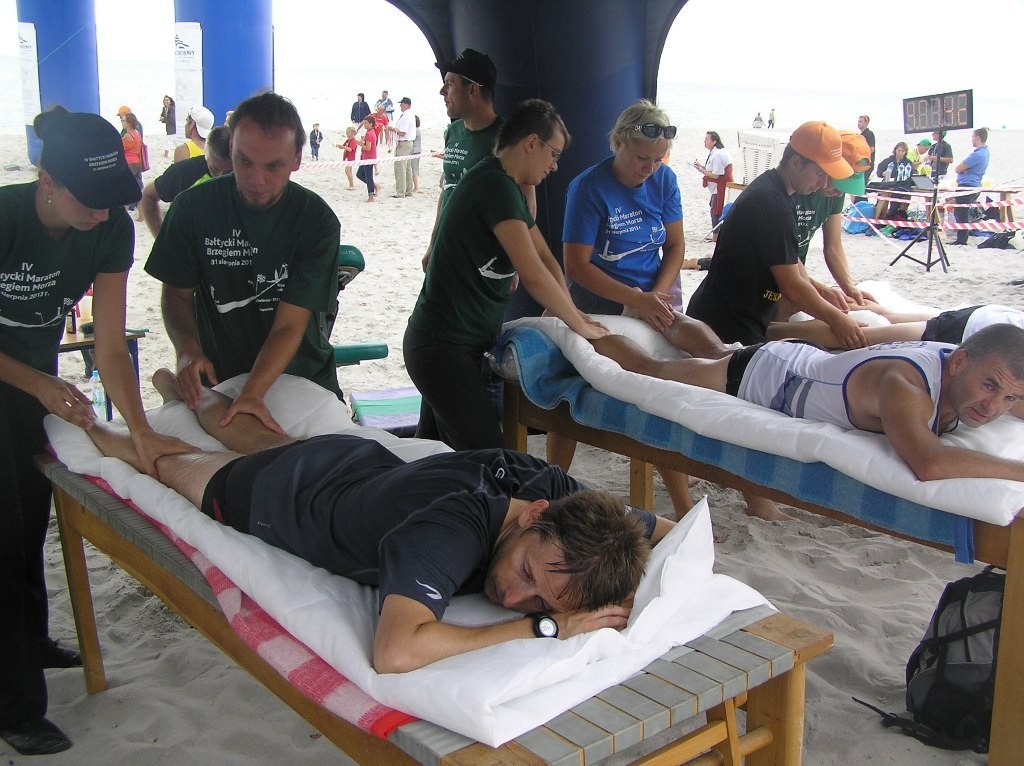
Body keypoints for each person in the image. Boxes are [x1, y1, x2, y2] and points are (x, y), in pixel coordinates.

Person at [84, 371, 667, 673]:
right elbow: (395, 652)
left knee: (252, 435)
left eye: (539, 602)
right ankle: (97, 428)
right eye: (526, 573)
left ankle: (182, 388)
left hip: (349, 462)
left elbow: (656, 530)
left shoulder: (553, 493)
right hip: (274, 497)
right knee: (170, 461)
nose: (514, 597)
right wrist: (544, 627)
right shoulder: (449, 533)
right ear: (533, 517)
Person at [0, 109, 193, 756]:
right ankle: (15, 707)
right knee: (1, 537)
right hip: (19, 378)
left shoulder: (108, 228)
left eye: (111, 200)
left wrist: (139, 429)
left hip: (30, 384)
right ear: (46, 181)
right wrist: (38, 382)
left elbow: (110, 346)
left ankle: (30, 640)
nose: (102, 213)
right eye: (89, 199)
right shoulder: (6, 217)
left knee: (32, 516)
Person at [549, 101, 732, 519]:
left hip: (653, 293)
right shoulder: (589, 187)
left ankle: (734, 372)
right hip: (601, 299)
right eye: (640, 158)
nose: (648, 168)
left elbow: (676, 247)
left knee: (706, 344)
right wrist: (634, 300)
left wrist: (656, 298)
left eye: (657, 159)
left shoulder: (664, 180)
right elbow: (576, 267)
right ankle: (557, 483)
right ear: (618, 143)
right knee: (650, 380)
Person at [403, 99, 610, 451]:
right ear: (531, 143)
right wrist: (578, 323)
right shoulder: (493, 185)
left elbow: (546, 258)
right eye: (554, 154)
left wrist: (571, 312)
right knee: (492, 460)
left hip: (453, 347)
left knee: (436, 458)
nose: (555, 165)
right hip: (443, 349)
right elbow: (533, 275)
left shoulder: (506, 186)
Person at [591, 323, 1024, 484]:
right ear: (959, 363)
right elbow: (929, 463)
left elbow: (1007, 391)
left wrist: (1007, 394)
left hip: (813, 364)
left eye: (1010, 398)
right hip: (771, 376)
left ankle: (670, 321)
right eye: (990, 387)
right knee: (652, 370)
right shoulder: (906, 386)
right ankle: (591, 329)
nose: (994, 407)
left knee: (718, 350)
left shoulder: (968, 366)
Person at [145, 92, 343, 434]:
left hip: (304, 378)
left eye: (273, 166)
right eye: (244, 161)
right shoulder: (192, 209)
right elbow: (176, 295)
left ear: (297, 159)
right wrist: (187, 350)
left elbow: (289, 326)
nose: (256, 179)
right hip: (219, 378)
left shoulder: (316, 221)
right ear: (230, 150)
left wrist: (252, 394)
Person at [686, 121, 865, 349]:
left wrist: (823, 292)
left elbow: (791, 264)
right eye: (820, 173)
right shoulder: (772, 203)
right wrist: (837, 319)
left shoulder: (777, 191)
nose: (823, 184)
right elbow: (792, 286)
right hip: (725, 326)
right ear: (796, 162)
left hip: (740, 316)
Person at [423, 48, 537, 270]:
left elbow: (528, 207)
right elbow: (447, 190)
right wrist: (432, 244)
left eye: (449, 85)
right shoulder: (453, 132)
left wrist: (511, 266)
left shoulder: (510, 140)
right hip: (446, 252)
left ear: (473, 89)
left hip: (482, 263)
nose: (442, 92)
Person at [786, 130, 876, 312]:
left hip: (798, 275)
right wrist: (820, 291)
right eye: (839, 184)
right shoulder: (797, 189)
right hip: (784, 275)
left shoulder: (834, 194)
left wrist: (848, 286)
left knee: (860, 308)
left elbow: (833, 246)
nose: (838, 192)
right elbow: (785, 256)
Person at [139, 125, 233, 236]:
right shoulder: (188, 171)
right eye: (215, 169)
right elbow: (148, 196)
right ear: (207, 156)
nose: (220, 176)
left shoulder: (248, 174)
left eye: (229, 172)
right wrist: (162, 239)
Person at [951, 127, 990, 246]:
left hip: (967, 186)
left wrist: (963, 170)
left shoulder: (978, 154)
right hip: (974, 184)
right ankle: (962, 237)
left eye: (973, 137)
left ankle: (962, 239)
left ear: (977, 138)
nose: (971, 139)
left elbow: (958, 168)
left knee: (961, 212)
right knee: (962, 211)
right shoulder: (985, 152)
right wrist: (964, 170)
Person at [693, 130, 731, 232]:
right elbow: (712, 169)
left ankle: (716, 235)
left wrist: (703, 171)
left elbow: (716, 175)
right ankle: (717, 234)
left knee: (715, 212)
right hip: (716, 187)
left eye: (707, 139)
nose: (704, 141)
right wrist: (701, 166)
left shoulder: (717, 154)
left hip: (720, 187)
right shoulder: (716, 152)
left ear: (714, 141)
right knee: (714, 210)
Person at [872, 141, 915, 219]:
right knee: (884, 196)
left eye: (903, 151)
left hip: (901, 185)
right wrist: (883, 173)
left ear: (905, 152)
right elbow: (879, 172)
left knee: (903, 197)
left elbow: (911, 175)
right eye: (899, 150)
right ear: (895, 150)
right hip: (888, 184)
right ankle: (878, 218)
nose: (900, 153)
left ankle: (895, 216)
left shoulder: (908, 163)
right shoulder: (888, 161)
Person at [388, 97, 415, 197]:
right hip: (409, 143)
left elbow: (403, 132)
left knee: (400, 168)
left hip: (404, 143)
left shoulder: (406, 116)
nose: (400, 106)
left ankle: (400, 192)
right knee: (407, 168)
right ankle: (408, 190)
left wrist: (393, 129)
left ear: (406, 105)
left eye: (402, 104)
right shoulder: (410, 115)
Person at [118, 111, 145, 200]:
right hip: (137, 160)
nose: (122, 123)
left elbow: (120, 148)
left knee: (127, 185)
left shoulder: (127, 136)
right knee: (137, 183)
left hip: (129, 162)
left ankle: (130, 203)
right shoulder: (137, 133)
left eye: (123, 121)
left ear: (128, 123)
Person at [355, 115, 378, 201]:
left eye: (366, 123)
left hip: (369, 158)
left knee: (369, 177)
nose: (364, 125)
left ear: (371, 124)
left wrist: (360, 143)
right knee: (359, 174)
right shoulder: (370, 132)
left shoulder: (370, 133)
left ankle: (371, 196)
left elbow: (368, 148)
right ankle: (375, 186)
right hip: (366, 157)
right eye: (364, 123)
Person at [857, 114, 876, 184]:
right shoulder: (861, 135)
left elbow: (871, 149)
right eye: (858, 121)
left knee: (862, 182)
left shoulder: (869, 134)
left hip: (867, 164)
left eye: (860, 121)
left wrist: (862, 156)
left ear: (866, 123)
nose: (858, 123)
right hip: (861, 164)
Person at [411, 115, 422, 193]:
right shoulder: (417, 130)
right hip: (416, 150)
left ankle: (416, 187)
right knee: (414, 169)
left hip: (415, 151)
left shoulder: (415, 130)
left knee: (414, 169)